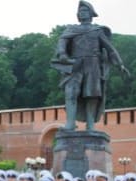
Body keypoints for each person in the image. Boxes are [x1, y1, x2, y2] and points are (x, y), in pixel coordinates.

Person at [52, 0, 129, 130]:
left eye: (85, 11)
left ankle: (90, 124)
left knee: (91, 94)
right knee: (70, 92)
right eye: (80, 11)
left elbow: (110, 49)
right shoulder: (71, 29)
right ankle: (70, 123)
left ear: (91, 14)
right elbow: (62, 41)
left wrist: (120, 64)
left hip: (93, 65)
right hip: (74, 65)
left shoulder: (97, 31)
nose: (81, 13)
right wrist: (62, 54)